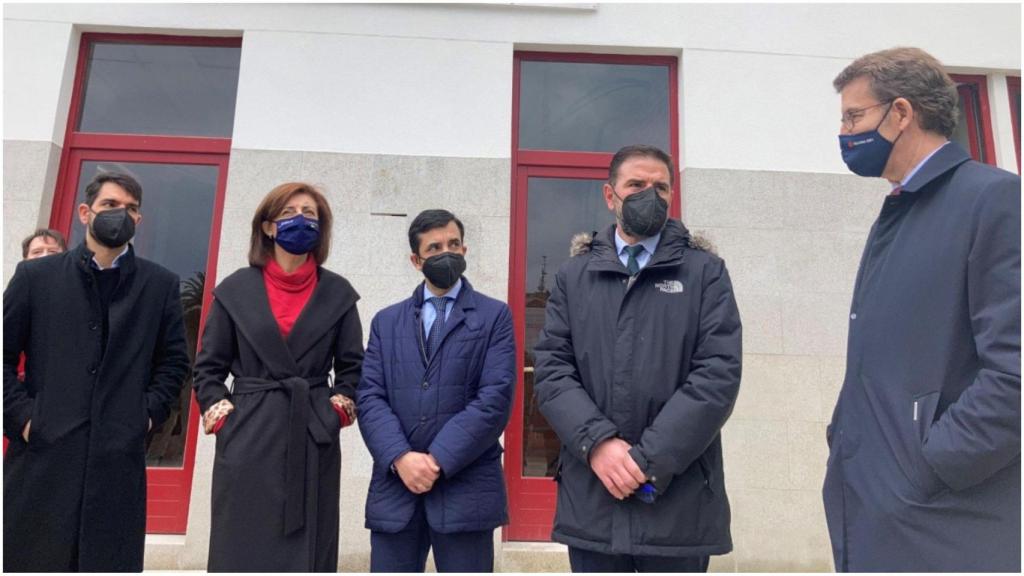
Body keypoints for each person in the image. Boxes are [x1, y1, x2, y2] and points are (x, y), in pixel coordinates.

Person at [823, 47, 1021, 572]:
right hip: (883, 513)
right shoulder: (901, 208)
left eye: (853, 115)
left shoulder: (994, 200)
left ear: (902, 113)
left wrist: (928, 467)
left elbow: (1016, 372)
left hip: (945, 524)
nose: (843, 131)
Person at [533, 144, 742, 573]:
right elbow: (553, 370)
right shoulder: (574, 276)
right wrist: (599, 445)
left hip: (677, 508)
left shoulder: (705, 273)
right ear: (610, 196)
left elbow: (717, 375)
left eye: (661, 187)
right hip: (593, 497)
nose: (651, 195)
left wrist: (646, 461)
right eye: (637, 185)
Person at [3, 171, 191, 571]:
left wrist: (145, 416)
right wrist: (23, 419)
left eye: (131, 209)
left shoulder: (159, 285)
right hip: (42, 459)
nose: (120, 214)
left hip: (116, 464)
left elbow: (174, 363)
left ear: (139, 221)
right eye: (110, 205)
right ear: (84, 212)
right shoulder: (36, 278)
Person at [193, 182, 363, 572]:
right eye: (288, 213)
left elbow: (354, 367)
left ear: (321, 228)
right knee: (242, 543)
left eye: (309, 214)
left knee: (310, 548)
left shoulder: (338, 293)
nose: (300, 220)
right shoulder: (235, 290)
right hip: (248, 435)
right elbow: (208, 368)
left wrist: (333, 413)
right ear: (268, 227)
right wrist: (227, 422)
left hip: (312, 433)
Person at [357, 209, 515, 573]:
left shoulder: (494, 316)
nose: (447, 252)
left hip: (467, 489)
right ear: (416, 260)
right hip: (396, 491)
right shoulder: (386, 321)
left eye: (453, 244)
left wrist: (437, 459)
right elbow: (370, 397)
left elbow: (495, 398)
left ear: (465, 249)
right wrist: (400, 457)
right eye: (434, 247)